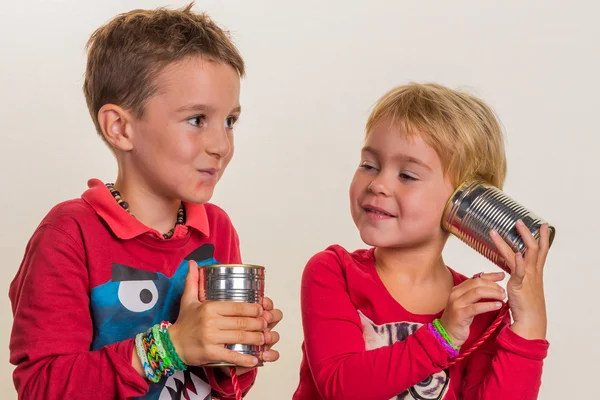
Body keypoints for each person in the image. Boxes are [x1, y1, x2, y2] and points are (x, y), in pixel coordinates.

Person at [8, 3, 282, 399]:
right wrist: (170, 348)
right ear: (120, 127)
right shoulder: (69, 234)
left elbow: (229, 387)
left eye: (230, 121)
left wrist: (233, 351)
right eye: (196, 119)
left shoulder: (216, 228)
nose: (222, 145)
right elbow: (41, 388)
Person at [293, 83, 550, 400]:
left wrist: (529, 323)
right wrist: (443, 336)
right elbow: (341, 387)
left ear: (468, 201)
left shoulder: (478, 310)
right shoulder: (333, 272)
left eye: (407, 175)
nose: (378, 184)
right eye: (369, 165)